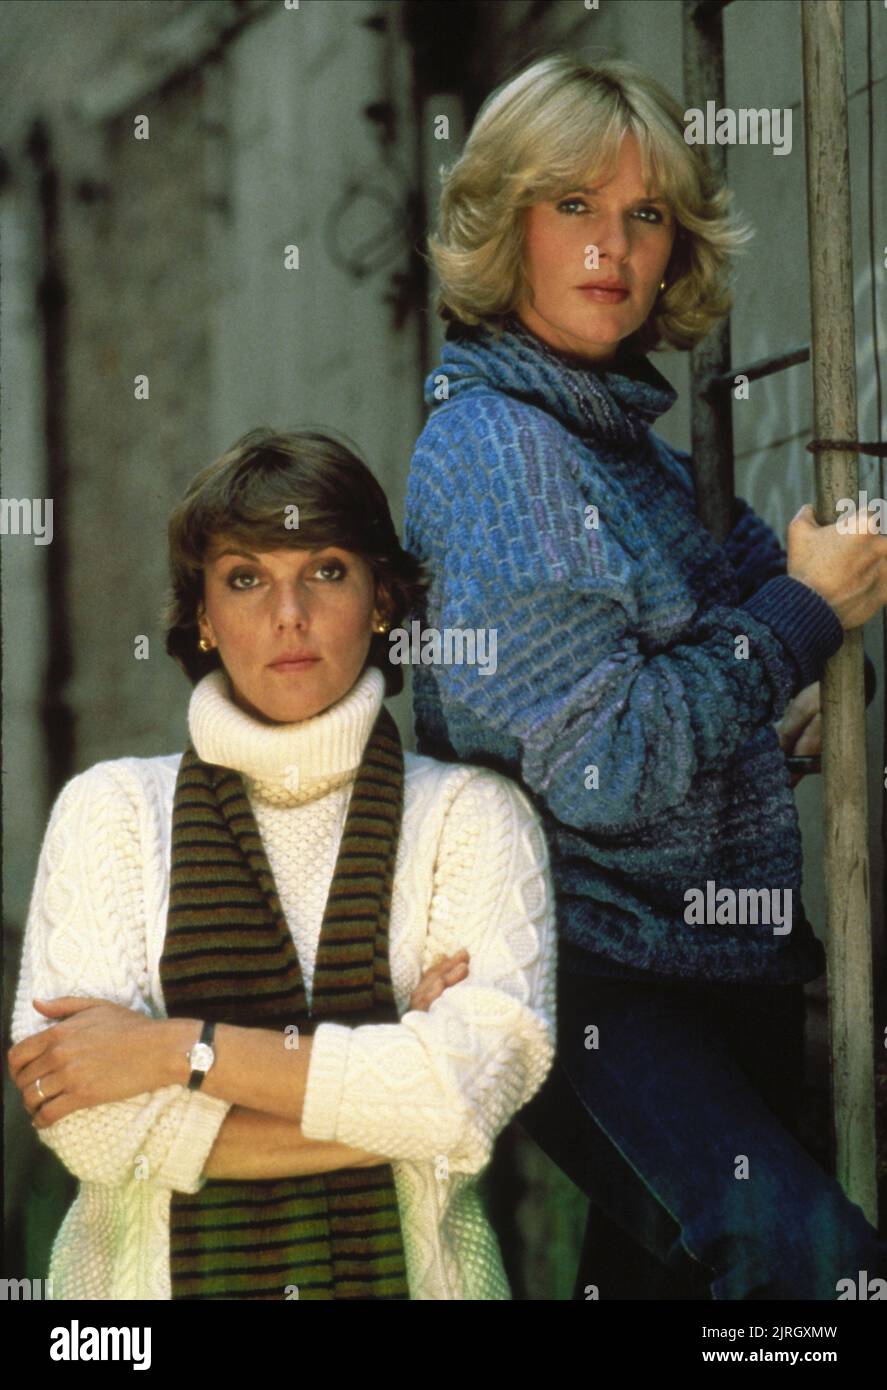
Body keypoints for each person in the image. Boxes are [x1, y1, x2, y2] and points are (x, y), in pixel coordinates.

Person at [403, 53, 887, 1300]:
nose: (610, 245)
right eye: (570, 206)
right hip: (594, 972)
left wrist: (788, 679)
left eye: (644, 213)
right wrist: (799, 619)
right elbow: (609, 758)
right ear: (504, 223)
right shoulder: (502, 454)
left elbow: (738, 650)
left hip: (716, 968)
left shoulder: (630, 454)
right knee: (814, 1272)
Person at [8, 427, 557, 1301]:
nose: (288, 614)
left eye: (327, 570)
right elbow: (92, 1130)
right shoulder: (110, 812)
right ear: (202, 615)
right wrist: (388, 1083)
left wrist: (171, 1049)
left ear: (381, 599)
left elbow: (463, 1098)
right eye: (246, 578)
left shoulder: (468, 817)